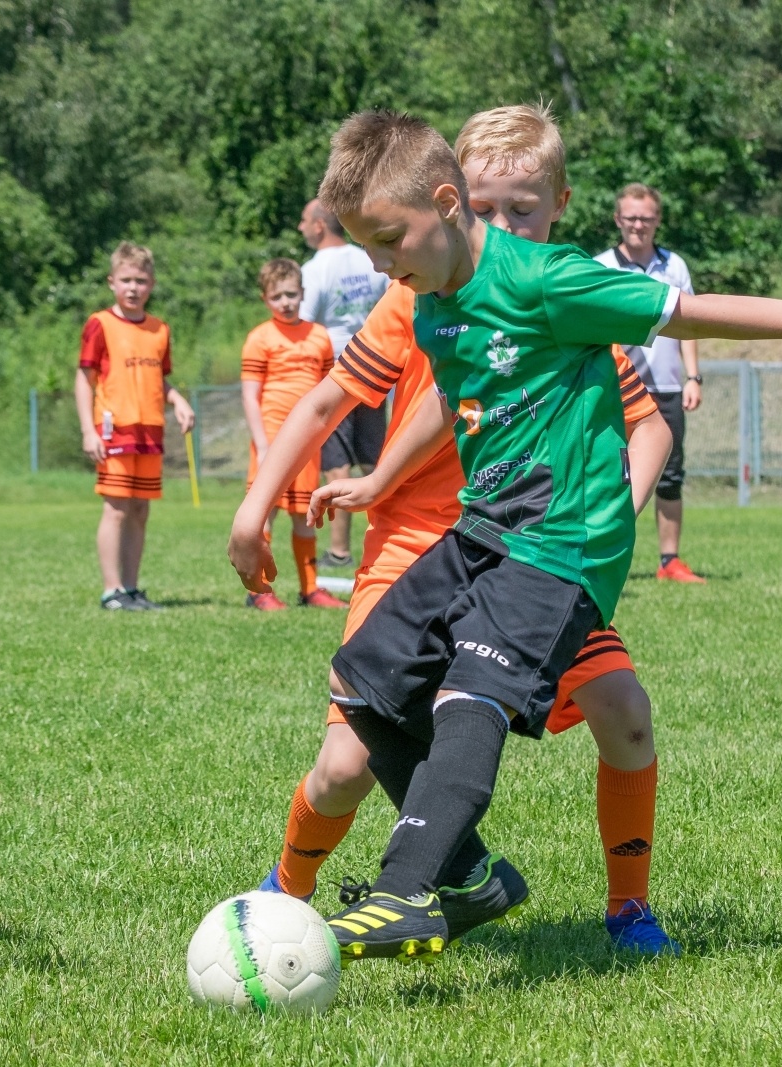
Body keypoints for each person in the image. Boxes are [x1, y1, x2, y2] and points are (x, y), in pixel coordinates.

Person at [294, 109, 782, 962]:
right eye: (367, 249)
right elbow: (454, 390)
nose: (378, 265)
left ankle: (406, 889)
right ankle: (473, 879)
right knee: (364, 681)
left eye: (387, 241)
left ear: (443, 205)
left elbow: (688, 313)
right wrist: (382, 477)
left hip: (560, 540)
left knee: (469, 694)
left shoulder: (548, 280)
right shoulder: (428, 301)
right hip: (487, 526)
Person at [231, 103, 681, 955]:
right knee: (346, 760)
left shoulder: (549, 300)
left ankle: (627, 907)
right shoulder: (411, 292)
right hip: (419, 544)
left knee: (624, 711)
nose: (503, 223)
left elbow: (645, 416)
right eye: (489, 204)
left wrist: (616, 506)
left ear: (555, 206)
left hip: (531, 550)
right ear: (451, 202)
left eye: (524, 209)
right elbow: (371, 398)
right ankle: (286, 894)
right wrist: (341, 485)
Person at [75, 242, 195, 612]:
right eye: (126, 280)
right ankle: (111, 590)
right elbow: (84, 377)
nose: (133, 288)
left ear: (152, 284)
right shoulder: (100, 323)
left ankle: (130, 587)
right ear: (112, 282)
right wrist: (88, 430)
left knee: (140, 511)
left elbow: (160, 379)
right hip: (115, 429)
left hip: (150, 432)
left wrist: (178, 400)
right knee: (116, 509)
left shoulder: (160, 330)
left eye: (141, 281)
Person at [595, 184, 705, 584]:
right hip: (615, 388)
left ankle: (669, 561)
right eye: (630, 217)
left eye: (646, 217)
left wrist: (693, 376)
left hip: (667, 388)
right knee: (607, 472)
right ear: (617, 220)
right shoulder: (601, 265)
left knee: (671, 474)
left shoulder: (674, 265)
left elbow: (689, 324)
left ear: (657, 221)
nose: (638, 225)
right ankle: (602, 556)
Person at [239, 258, 344, 611]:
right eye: (276, 296)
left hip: (307, 442)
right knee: (263, 511)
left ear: (302, 293)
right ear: (264, 299)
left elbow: (329, 390)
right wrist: (263, 444)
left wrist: (323, 434)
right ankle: (259, 592)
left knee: (305, 514)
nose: (285, 302)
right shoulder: (259, 338)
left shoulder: (319, 337)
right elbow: (251, 397)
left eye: (291, 294)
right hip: (270, 438)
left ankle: (310, 589)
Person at [296, 198, 389, 568]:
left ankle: (339, 551)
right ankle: (387, 535)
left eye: (304, 221)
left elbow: (301, 324)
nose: (301, 228)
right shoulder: (368, 259)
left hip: (335, 371)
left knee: (336, 462)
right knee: (374, 461)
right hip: (377, 365)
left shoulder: (315, 269)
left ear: (319, 226)